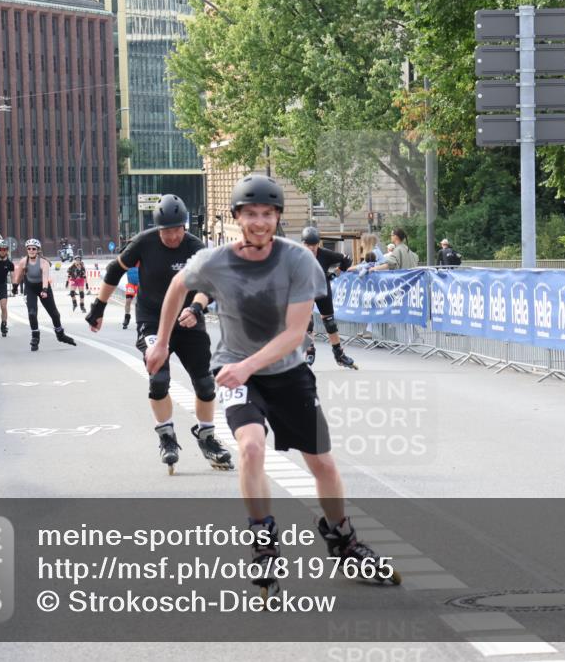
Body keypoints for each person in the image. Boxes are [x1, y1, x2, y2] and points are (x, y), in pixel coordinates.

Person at [145, 175, 400, 600]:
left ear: (278, 217)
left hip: (288, 372)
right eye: (250, 214)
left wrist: (247, 365)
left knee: (323, 465)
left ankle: (344, 539)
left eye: (267, 214)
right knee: (249, 447)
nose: (259, 222)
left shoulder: (299, 260)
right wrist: (163, 341)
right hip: (236, 372)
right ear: (237, 218)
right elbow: (177, 287)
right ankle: (263, 541)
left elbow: (295, 332)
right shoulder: (215, 261)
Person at [85, 194, 232, 473]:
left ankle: (207, 437)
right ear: (158, 228)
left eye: (177, 229)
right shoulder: (145, 242)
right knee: (159, 378)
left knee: (205, 384)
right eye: (166, 231)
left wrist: (197, 310)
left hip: (188, 320)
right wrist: (98, 306)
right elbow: (115, 269)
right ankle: (166, 436)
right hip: (152, 320)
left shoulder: (195, 247)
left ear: (185, 227)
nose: (172, 236)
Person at [300, 226, 357, 369]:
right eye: (308, 245)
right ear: (303, 244)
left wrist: (335, 273)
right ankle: (310, 351)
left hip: (322, 290)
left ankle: (339, 354)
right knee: (307, 323)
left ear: (318, 244)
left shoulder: (325, 254)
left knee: (330, 323)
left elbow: (347, 260)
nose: (312, 248)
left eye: (314, 245)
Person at [12, 239, 77, 352]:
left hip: (43, 287)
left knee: (55, 314)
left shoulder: (43, 262)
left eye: (34, 249)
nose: (31, 250)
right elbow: (19, 276)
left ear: (38, 250)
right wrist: (14, 287)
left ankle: (60, 334)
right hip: (30, 288)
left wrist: (45, 290)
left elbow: (45, 276)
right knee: (32, 313)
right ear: (27, 250)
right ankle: (35, 337)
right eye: (29, 248)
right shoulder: (23, 261)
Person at [122, 263, 139, 329]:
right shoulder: (129, 261)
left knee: (139, 302)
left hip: (140, 284)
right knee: (128, 301)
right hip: (131, 284)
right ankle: (127, 317)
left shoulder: (142, 259)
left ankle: (140, 319)